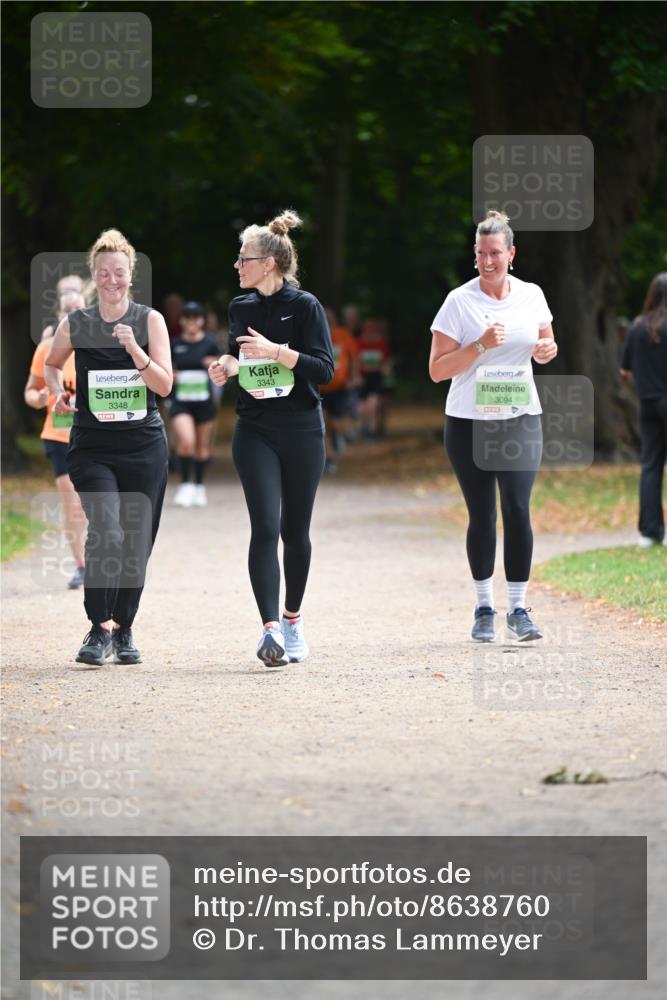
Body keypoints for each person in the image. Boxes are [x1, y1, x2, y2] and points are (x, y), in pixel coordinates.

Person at [209, 210, 334, 667]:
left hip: (301, 429)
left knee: (294, 532)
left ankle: (293, 618)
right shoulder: (240, 308)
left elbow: (324, 370)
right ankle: (270, 631)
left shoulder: (305, 307)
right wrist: (227, 367)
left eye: (244, 259)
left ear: (270, 263)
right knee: (264, 526)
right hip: (255, 428)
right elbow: (241, 363)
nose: (237, 266)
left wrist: (276, 352)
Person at [44, 228, 173, 666]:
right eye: (104, 273)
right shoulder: (76, 323)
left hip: (144, 447)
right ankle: (98, 628)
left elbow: (164, 384)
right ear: (93, 276)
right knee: (109, 530)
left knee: (136, 541)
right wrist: (56, 389)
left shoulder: (149, 320)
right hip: (93, 447)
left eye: (119, 272)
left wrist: (135, 349)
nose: (112, 280)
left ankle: (125, 628)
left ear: (131, 273)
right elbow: (50, 364)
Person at [429, 210, 558, 643]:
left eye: (496, 253)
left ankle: (519, 608)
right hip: (469, 422)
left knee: (518, 510)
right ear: (475, 255)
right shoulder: (458, 301)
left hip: (520, 418)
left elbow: (546, 343)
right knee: (482, 515)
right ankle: (484, 606)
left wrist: (546, 350)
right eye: (481, 253)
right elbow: (437, 370)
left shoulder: (533, 295)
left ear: (511, 254)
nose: (488, 261)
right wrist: (479, 345)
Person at [25, 290, 88, 588]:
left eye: (79, 310)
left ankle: (98, 558)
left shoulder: (97, 347)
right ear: (59, 315)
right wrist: (38, 397)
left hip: (93, 435)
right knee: (73, 502)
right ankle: (81, 565)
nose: (72, 315)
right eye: (67, 310)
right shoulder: (47, 350)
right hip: (58, 434)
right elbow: (30, 392)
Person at [620, 272, 667, 547]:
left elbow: (624, 370)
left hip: (647, 403)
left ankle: (649, 533)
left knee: (650, 466)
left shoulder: (637, 326)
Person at [169, 301, 221, 507]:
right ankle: (185, 484)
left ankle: (199, 487)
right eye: (187, 317)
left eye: (195, 317)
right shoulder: (174, 343)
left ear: (201, 321)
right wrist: (171, 375)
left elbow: (222, 366)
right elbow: (165, 368)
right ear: (181, 321)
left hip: (204, 400)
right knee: (186, 441)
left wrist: (214, 363)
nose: (191, 322)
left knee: (202, 446)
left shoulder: (211, 342)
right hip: (181, 400)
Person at [320, 307, 359, 473]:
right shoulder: (314, 334)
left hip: (340, 386)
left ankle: (337, 437)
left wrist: (353, 378)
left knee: (335, 422)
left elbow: (354, 358)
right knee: (322, 422)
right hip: (319, 387)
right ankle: (330, 457)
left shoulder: (343, 335)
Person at [358, 318, 392, 440]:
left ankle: (372, 432)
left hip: (376, 378)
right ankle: (365, 428)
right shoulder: (360, 343)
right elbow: (356, 361)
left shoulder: (382, 343)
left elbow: (386, 361)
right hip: (363, 379)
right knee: (363, 408)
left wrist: (385, 368)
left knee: (374, 405)